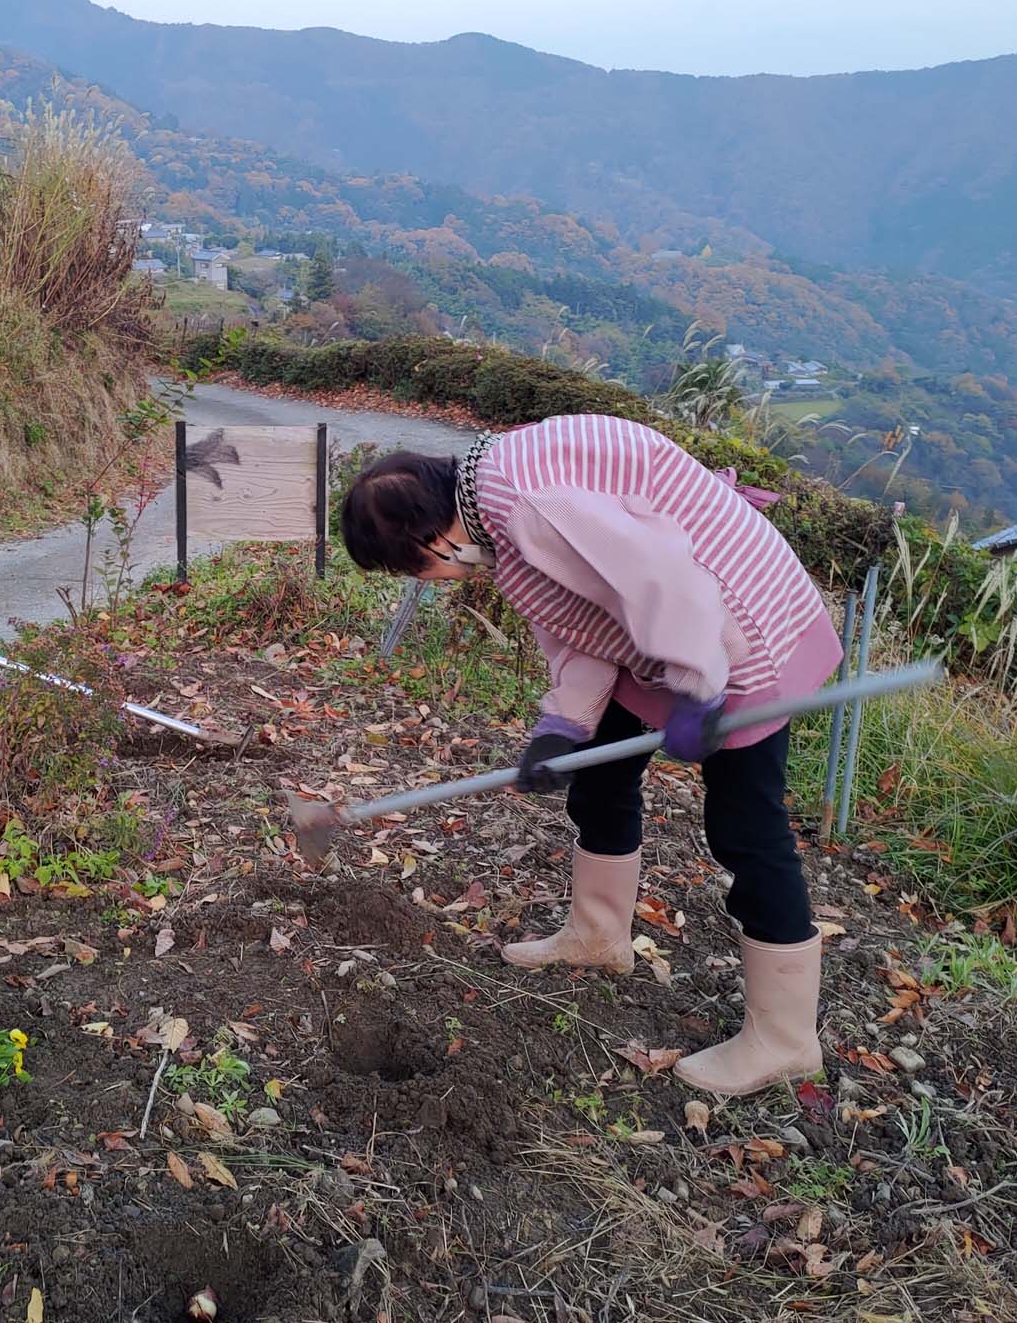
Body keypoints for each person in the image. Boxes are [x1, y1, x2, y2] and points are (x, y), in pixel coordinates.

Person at [341, 417, 843, 1096]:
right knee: (599, 773)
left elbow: (665, 580)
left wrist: (699, 689)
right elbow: (582, 615)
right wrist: (563, 727)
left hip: (731, 632)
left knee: (746, 829)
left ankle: (785, 1039)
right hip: (667, 631)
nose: (425, 580)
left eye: (414, 567)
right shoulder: (492, 509)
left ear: (430, 536)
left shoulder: (528, 506)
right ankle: (599, 935)